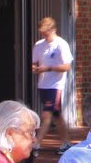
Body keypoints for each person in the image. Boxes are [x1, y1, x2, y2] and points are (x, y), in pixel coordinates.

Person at [31, 17, 75, 145]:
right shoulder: (39, 45)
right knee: (56, 115)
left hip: (56, 85)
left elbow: (67, 66)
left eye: (47, 33)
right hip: (43, 84)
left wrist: (49, 68)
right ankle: (66, 141)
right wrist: (35, 69)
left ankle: (36, 143)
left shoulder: (61, 44)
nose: (45, 36)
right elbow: (34, 62)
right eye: (42, 33)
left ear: (53, 30)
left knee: (47, 115)